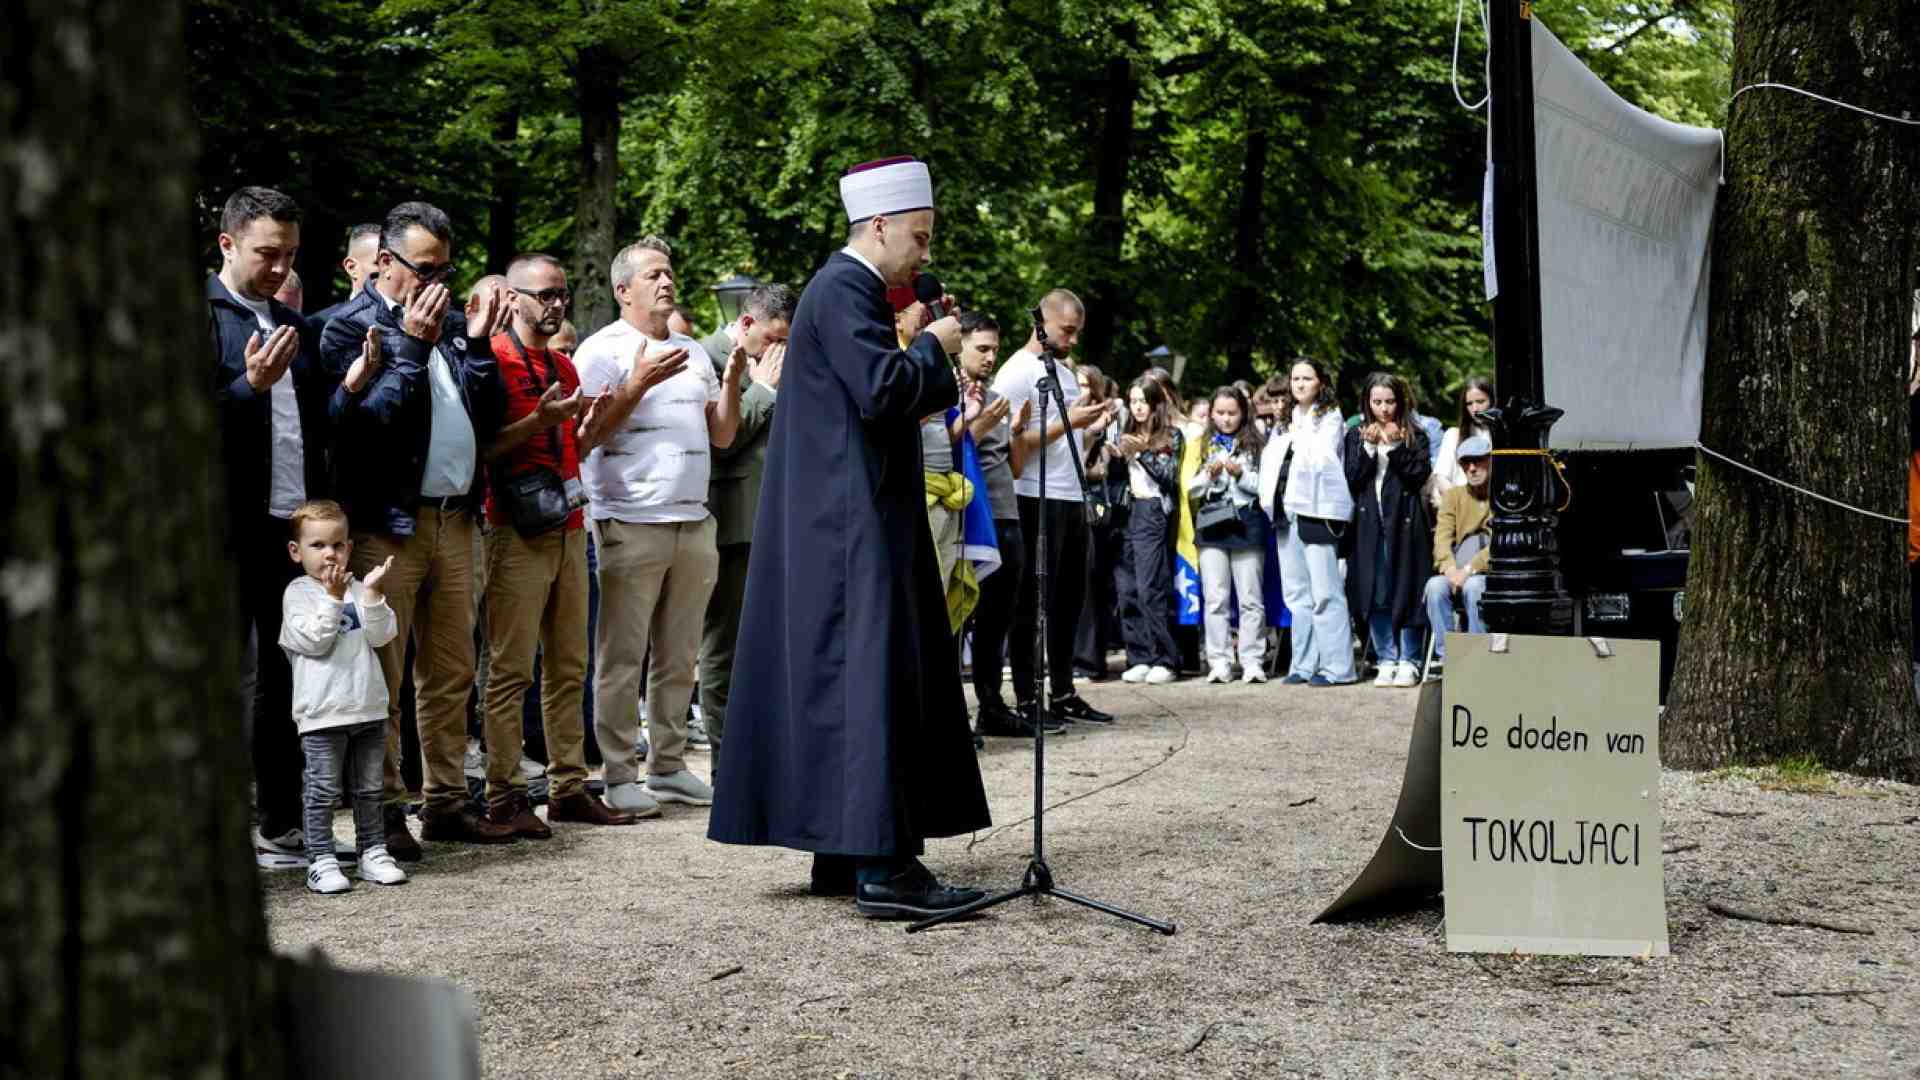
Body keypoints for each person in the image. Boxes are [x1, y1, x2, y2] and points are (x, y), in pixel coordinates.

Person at [708, 156, 990, 919]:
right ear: (880, 226)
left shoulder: (839, 292)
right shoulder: (847, 289)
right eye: (919, 237)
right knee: (873, 680)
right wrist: (934, 346)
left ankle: (844, 845)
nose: (924, 254)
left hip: (844, 517)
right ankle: (884, 868)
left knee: (847, 683)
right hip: (851, 525)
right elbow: (884, 390)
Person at [321, 200, 512, 857]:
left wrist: (482, 345)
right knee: (384, 676)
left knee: (452, 672)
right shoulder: (347, 328)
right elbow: (361, 430)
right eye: (423, 268)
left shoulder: (455, 325)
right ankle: (386, 810)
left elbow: (488, 418)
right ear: (384, 262)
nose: (436, 283)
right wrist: (412, 345)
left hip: (457, 521)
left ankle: (447, 802)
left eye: (444, 269)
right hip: (389, 527)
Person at [573, 235, 743, 818]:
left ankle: (669, 766)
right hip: (629, 520)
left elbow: (721, 436)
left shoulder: (695, 350)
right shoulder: (601, 351)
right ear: (623, 291)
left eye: (669, 272)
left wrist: (732, 381)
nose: (666, 282)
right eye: (653, 275)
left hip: (693, 521)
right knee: (622, 657)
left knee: (680, 655)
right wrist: (638, 383)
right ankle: (619, 772)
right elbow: (583, 438)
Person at [478, 253, 638, 831]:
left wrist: (591, 421)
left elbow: (576, 447)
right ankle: (505, 795)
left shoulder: (566, 369)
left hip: (571, 527)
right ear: (512, 297)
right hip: (513, 530)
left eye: (561, 295)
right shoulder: (492, 360)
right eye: (543, 294)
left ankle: (568, 786)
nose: (554, 304)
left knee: (570, 664)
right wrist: (539, 423)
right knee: (510, 668)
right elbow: (484, 451)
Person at [208, 186, 342, 869]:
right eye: (267, 252)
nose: (280, 267)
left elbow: (311, 427)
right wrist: (246, 389)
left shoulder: (296, 324)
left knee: (292, 680)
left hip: (294, 527)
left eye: (289, 255)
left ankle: (281, 826)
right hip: (227, 527)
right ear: (226, 243)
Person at [990, 291, 1117, 726]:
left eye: (1078, 331)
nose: (1073, 340)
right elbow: (1010, 445)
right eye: (1067, 330)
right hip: (1030, 494)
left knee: (1069, 600)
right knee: (1030, 602)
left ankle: (1063, 690)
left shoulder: (1062, 372)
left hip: (1070, 494)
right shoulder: (1014, 373)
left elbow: (1067, 442)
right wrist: (1071, 423)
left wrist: (1093, 430)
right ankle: (1028, 697)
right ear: (1041, 322)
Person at [277, 500, 409, 893]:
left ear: (349, 548)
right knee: (322, 791)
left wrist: (371, 595)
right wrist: (335, 600)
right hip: (322, 714)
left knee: (370, 788)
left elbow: (382, 635)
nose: (329, 554)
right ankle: (321, 859)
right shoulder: (298, 594)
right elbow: (314, 642)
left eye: (337, 544)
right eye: (318, 545)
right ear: (296, 552)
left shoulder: (356, 588)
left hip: (368, 707)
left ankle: (373, 851)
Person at [695, 283, 795, 775]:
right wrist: (766, 387)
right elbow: (724, 441)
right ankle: (724, 760)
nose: (780, 351)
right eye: (774, 339)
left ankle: (763, 750)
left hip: (777, 516)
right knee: (724, 645)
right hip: (733, 518)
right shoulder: (710, 356)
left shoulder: (776, 359)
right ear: (748, 323)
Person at [957, 313, 1047, 737]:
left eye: (995, 349)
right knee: (960, 616)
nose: (991, 357)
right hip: (969, 517)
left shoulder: (994, 396)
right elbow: (945, 450)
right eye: (983, 348)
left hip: (1006, 514)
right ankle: (954, 712)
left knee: (999, 617)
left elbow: (1012, 468)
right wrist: (978, 423)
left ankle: (991, 704)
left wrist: (1016, 433)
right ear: (961, 345)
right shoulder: (944, 393)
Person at [1265, 357, 1358, 686]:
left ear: (1321, 382)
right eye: (1295, 379)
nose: (1300, 384)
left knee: (1326, 592)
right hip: (1286, 510)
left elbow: (1322, 458)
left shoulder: (1330, 416)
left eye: (1307, 378)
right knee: (1297, 595)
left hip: (1318, 510)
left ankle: (1338, 668)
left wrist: (1294, 439)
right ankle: (1303, 665)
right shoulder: (1288, 418)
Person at [1345, 373, 1434, 688]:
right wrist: (1369, 449)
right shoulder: (1356, 435)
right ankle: (1386, 657)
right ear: (1367, 403)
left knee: (1407, 589)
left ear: (1401, 402)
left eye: (1390, 401)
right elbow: (1353, 480)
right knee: (1376, 591)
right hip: (1370, 525)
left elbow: (1418, 475)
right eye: (1377, 402)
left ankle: (1409, 658)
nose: (1383, 409)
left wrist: (1396, 444)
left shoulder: (1415, 434)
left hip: (1405, 524)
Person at [1188, 385, 1267, 683]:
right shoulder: (1201, 442)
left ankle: (1252, 660)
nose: (1226, 419)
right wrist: (1207, 476)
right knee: (1215, 597)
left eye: (1232, 413)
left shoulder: (1257, 443)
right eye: (1219, 413)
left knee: (1250, 597)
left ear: (1243, 413)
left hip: (1247, 521)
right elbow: (1189, 487)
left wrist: (1240, 475)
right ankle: (1219, 661)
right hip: (1212, 522)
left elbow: (1264, 486)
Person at [1111, 375, 1184, 684]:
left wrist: (1140, 453)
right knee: (1126, 587)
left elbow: (1170, 477)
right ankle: (1139, 654)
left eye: (1143, 401)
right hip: (1125, 510)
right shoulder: (1124, 432)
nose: (1137, 407)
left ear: (1155, 404)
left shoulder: (1171, 435)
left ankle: (1165, 658)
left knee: (1150, 586)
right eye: (1133, 401)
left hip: (1152, 510)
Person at [1423, 435, 1492, 678]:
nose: (1472, 468)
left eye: (1478, 461)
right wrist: (1450, 569)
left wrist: (1469, 569)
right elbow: (1442, 538)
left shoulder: (1502, 495)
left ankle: (1477, 657)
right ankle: (1448, 657)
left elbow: (1500, 543)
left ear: (1489, 461)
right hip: (1457, 569)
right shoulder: (1453, 497)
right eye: (1466, 463)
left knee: (1475, 587)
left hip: (1487, 573)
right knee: (1434, 587)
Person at [1073, 364, 1125, 680]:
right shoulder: (1063, 415)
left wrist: (1094, 436)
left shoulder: (1105, 420)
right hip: (1070, 504)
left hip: (1096, 508)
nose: (1078, 390)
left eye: (1083, 384)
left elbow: (1100, 466)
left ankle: (1090, 659)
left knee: (1093, 581)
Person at [1432, 377, 1495, 508]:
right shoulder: (1454, 435)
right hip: (1461, 510)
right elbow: (1441, 478)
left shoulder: (1503, 436)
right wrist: (1464, 507)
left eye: (1480, 401)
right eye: (1469, 404)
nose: (1475, 408)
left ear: (1493, 401)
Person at [307, 223, 381, 333]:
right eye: (379, 263)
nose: (389, 271)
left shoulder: (409, 321)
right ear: (352, 268)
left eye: (393, 263)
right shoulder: (320, 325)